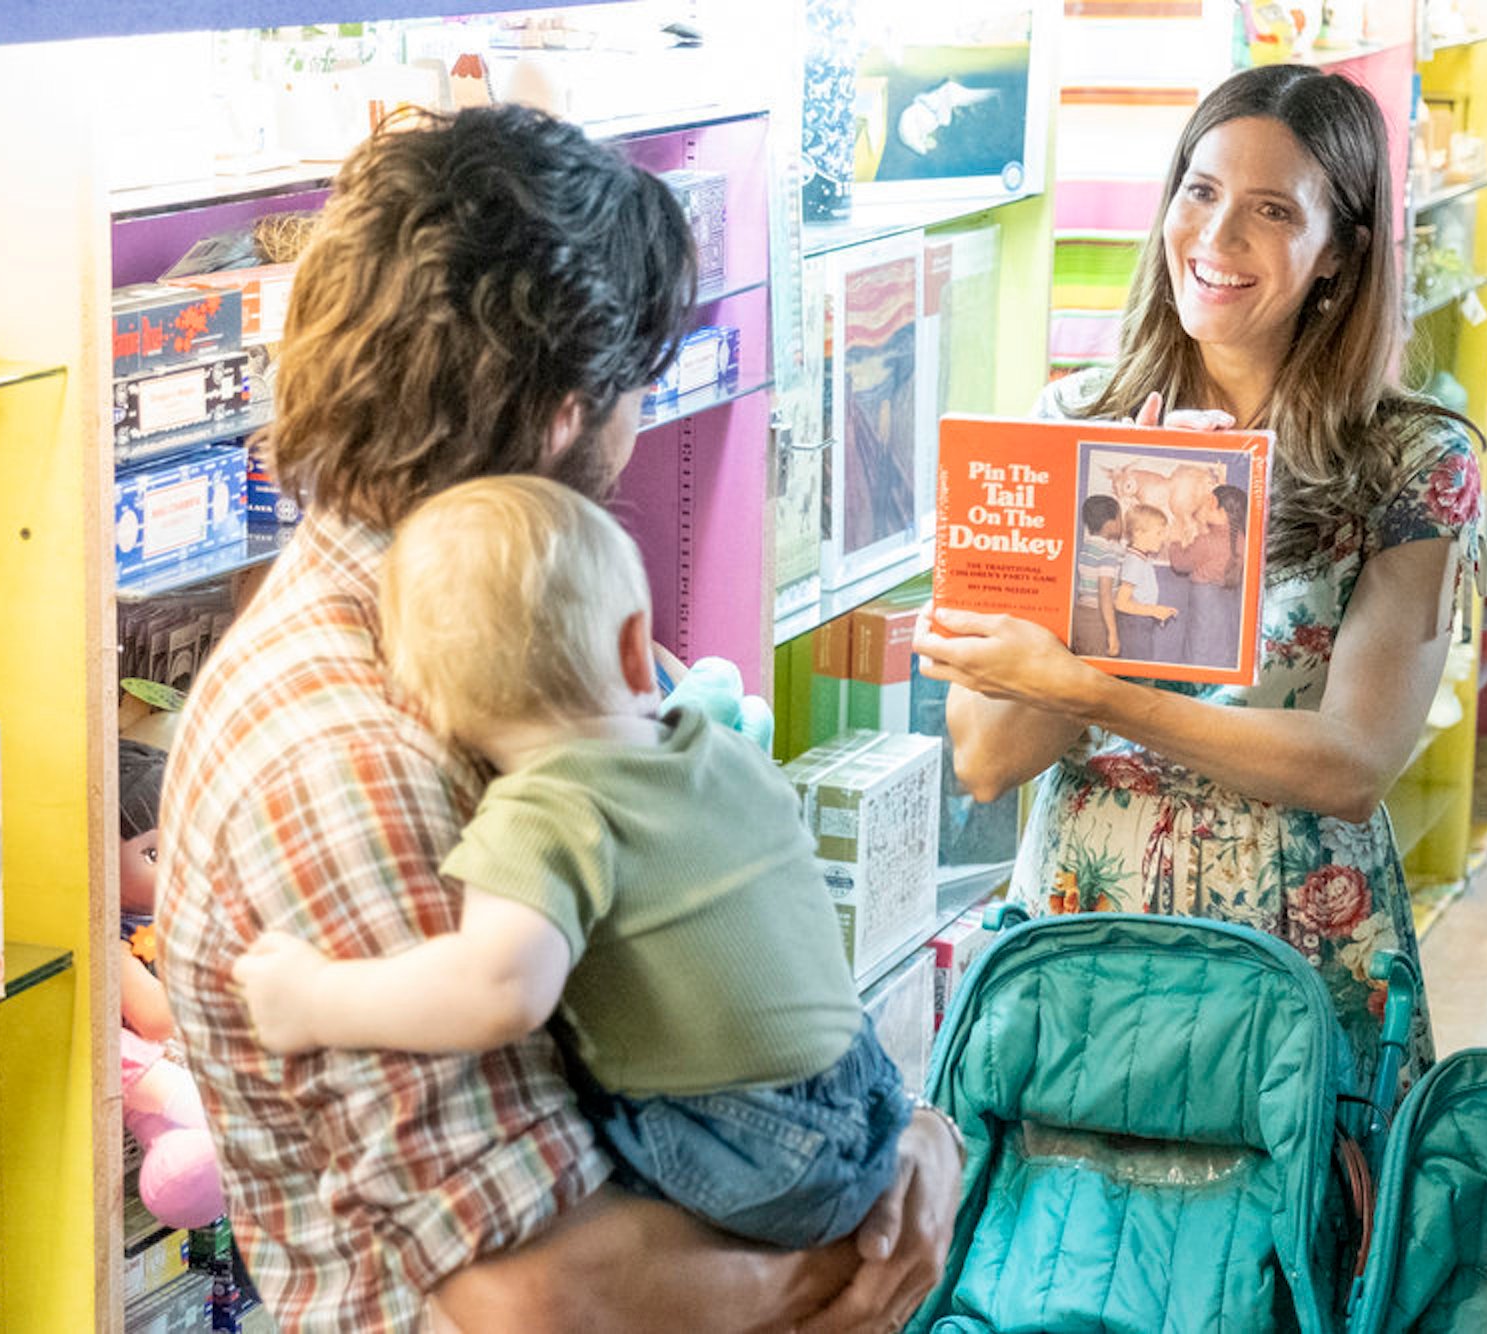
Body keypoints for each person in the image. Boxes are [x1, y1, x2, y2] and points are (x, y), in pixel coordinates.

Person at [154, 104, 962, 1333]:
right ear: (564, 416)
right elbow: (541, 1289)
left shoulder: (514, 625)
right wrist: (862, 1249)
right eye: (640, 386)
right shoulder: (351, 748)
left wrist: (905, 1134)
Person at [916, 63, 1482, 1089]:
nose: (1215, 241)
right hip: (1086, 943)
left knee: (1289, 1250)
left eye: (1269, 210)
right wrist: (1125, 552)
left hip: (1292, 962)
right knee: (1070, 1250)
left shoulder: (1411, 464)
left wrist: (1091, 691)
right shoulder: (1071, 425)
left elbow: (1349, 764)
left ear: (1339, 255)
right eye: (1200, 190)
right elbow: (988, 757)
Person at [230, 475, 910, 1253]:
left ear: (422, 706)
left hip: (749, 1153)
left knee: (575, 1094)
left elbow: (499, 991)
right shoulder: (720, 749)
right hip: (869, 1100)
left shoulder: (543, 810)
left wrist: (316, 998)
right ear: (634, 649)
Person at [1168, 483, 1249, 668]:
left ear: (1213, 503)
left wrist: (1174, 540)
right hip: (1227, 598)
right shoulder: (1241, 539)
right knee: (1222, 642)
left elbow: (1180, 563)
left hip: (1204, 599)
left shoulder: (1207, 542)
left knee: (1199, 642)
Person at [1110, 503, 1180, 663]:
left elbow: (1139, 596)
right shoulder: (1135, 562)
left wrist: (1158, 610)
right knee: (1138, 673)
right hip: (1133, 626)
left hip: (1138, 623)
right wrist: (1153, 610)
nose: (1163, 538)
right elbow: (1120, 604)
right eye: (1159, 533)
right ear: (1138, 533)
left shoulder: (1140, 558)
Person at [1071, 494, 1123, 657]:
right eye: (1119, 518)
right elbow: (1105, 594)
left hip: (1080, 614)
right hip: (1097, 618)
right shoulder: (1107, 555)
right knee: (1098, 667)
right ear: (1110, 524)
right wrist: (1113, 634)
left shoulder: (1088, 547)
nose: (1122, 522)